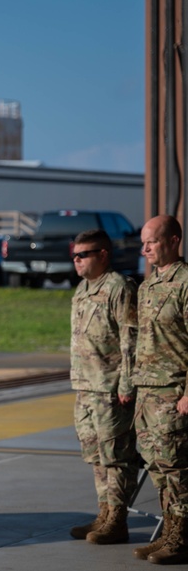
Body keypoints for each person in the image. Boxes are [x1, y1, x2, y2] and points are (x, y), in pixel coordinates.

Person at [67, 229, 139, 545]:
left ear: (103, 255)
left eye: (83, 255)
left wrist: (126, 384)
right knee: (95, 455)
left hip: (110, 388)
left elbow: (130, 340)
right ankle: (104, 514)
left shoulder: (119, 288)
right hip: (85, 386)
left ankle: (118, 520)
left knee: (116, 455)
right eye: (74, 255)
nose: (76, 261)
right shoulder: (82, 289)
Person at [131, 214, 188, 564]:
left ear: (174, 240)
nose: (145, 248)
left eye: (152, 241)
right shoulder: (148, 285)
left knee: (177, 468)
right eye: (143, 242)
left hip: (173, 390)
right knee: (155, 466)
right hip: (147, 391)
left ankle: (181, 537)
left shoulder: (185, 281)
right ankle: (169, 530)